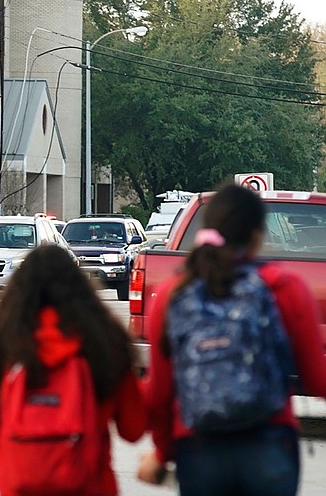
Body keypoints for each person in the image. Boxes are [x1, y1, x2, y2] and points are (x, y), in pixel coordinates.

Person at [138, 184, 326, 495]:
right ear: (257, 235)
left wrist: (163, 452)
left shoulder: (173, 293)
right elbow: (317, 382)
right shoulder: (285, 287)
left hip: (199, 448)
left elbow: (159, 393)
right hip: (269, 444)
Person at [0, 244, 146, 495]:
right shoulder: (105, 343)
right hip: (90, 486)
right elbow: (133, 429)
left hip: (22, 486)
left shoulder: (7, 342)